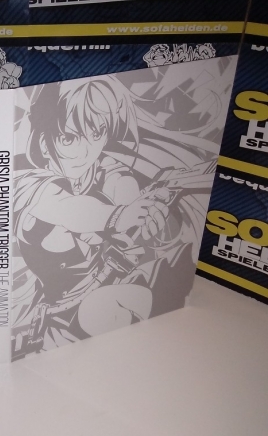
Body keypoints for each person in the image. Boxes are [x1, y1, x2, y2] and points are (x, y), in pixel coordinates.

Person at [12, 76, 216, 354]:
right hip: (64, 314)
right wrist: (120, 216)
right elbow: (68, 208)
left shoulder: (104, 167)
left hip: (122, 290)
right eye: (69, 138)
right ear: (45, 144)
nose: (85, 151)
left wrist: (148, 213)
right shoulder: (29, 185)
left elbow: (123, 188)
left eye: (97, 134)